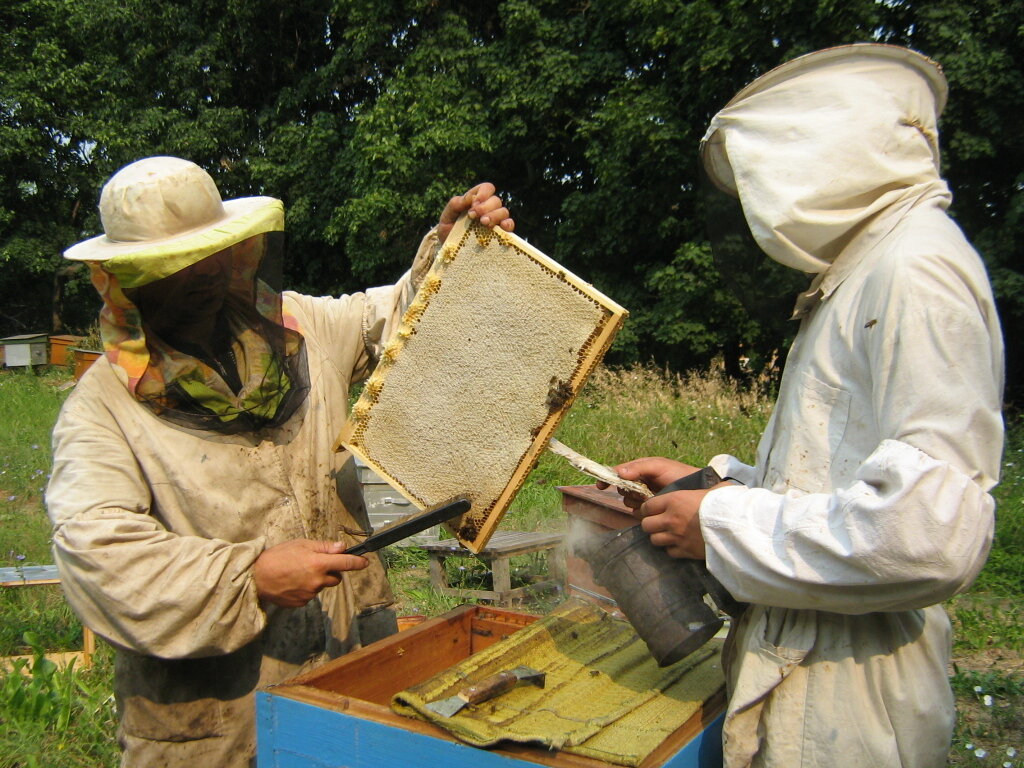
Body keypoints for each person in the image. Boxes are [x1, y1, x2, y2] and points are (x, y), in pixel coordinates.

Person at [602, 44, 1004, 767]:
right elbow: (843, 487)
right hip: (817, 661)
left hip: (852, 693)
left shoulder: (915, 270)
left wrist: (718, 524)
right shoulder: (864, 271)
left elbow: (928, 534)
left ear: (831, 145)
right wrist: (716, 485)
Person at [46, 156, 513, 767]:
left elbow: (394, 322)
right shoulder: (100, 408)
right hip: (217, 719)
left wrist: (450, 250)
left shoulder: (298, 326)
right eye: (168, 270)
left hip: (346, 665)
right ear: (124, 278)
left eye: (204, 260)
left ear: (233, 252)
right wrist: (251, 576)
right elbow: (97, 554)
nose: (194, 280)